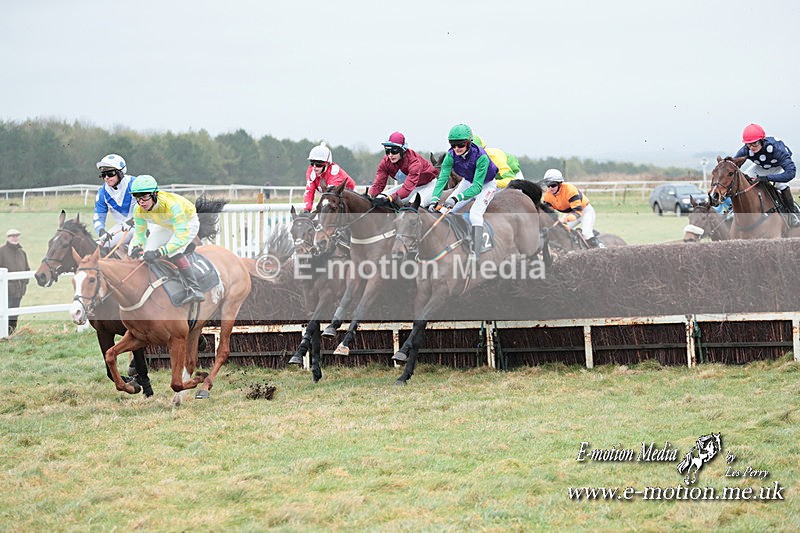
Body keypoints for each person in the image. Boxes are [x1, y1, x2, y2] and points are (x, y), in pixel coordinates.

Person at [128, 175, 204, 305]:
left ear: (155, 194)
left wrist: (159, 252)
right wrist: (137, 246)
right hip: (165, 225)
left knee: (173, 251)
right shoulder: (138, 209)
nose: (141, 202)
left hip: (187, 223)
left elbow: (180, 235)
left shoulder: (172, 205)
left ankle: (195, 289)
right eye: (137, 197)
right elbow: (139, 234)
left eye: (145, 197)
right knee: (146, 253)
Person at [426, 123, 499, 260]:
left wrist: (456, 198)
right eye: (453, 145)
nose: (456, 148)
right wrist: (434, 199)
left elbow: (477, 187)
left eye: (460, 145)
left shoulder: (481, 157)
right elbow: (442, 179)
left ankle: (476, 254)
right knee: (444, 211)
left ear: (468, 143)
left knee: (475, 215)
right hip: (467, 182)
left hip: (486, 185)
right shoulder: (450, 155)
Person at [735, 123, 799, 226]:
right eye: (748, 144)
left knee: (781, 185)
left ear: (761, 140)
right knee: (744, 179)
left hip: (778, 166)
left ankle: (793, 213)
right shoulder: (746, 149)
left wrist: (768, 178)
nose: (751, 147)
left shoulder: (776, 148)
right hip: (762, 167)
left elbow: (791, 173)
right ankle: (732, 209)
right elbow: (733, 165)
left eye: (754, 143)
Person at [369, 131, 438, 205]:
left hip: (429, 186)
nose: (390, 155)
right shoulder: (385, 162)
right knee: (380, 197)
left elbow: (407, 189)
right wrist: (370, 195)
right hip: (410, 187)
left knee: (414, 205)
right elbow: (378, 184)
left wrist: (390, 198)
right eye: (387, 151)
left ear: (403, 150)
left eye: (394, 151)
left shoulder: (414, 162)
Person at [541, 168, 605, 248]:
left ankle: (602, 249)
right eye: (548, 185)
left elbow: (578, 212)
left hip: (585, 211)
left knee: (587, 234)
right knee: (558, 230)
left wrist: (564, 220)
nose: (550, 188)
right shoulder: (548, 196)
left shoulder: (570, 190)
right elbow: (548, 214)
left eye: (553, 185)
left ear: (559, 183)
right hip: (571, 213)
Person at [93, 154, 137, 249]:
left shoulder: (135, 184)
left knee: (134, 250)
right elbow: (98, 217)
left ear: (121, 172)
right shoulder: (102, 193)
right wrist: (101, 231)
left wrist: (134, 220)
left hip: (143, 225)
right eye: (103, 175)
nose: (106, 178)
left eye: (110, 173)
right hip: (122, 228)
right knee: (98, 248)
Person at [303, 142, 356, 212]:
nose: (314, 167)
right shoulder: (311, 172)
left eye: (319, 164)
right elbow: (309, 192)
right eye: (312, 163)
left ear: (327, 164)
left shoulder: (335, 173)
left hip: (349, 197)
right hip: (332, 196)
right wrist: (306, 210)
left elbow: (330, 197)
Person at [0, 229, 30, 334]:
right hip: (4, 291)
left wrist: (24, 283)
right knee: (4, 313)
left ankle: (11, 334)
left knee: (14, 313)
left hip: (18, 291)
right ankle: (3, 334)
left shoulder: (22, 253)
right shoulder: (1, 251)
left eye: (17, 236)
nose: (15, 238)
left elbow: (27, 270)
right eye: (12, 236)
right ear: (8, 238)